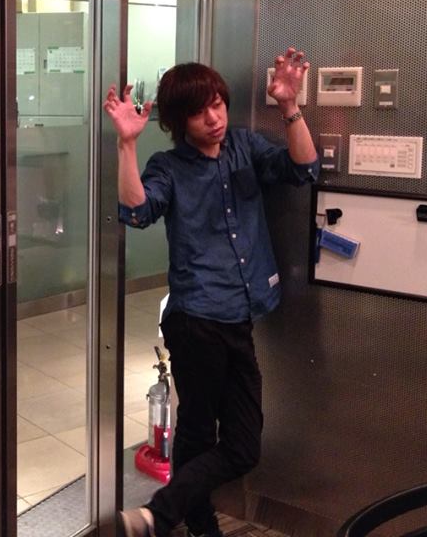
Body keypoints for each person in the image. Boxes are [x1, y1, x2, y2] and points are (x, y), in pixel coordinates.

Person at [105, 50, 318, 537]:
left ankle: (163, 516)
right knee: (201, 431)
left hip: (238, 315)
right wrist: (126, 145)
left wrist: (290, 106)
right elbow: (137, 212)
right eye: (200, 112)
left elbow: (303, 169)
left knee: (238, 445)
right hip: (196, 319)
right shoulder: (168, 166)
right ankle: (189, 521)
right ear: (178, 122)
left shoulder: (244, 146)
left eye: (218, 104)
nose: (214, 117)